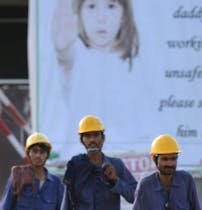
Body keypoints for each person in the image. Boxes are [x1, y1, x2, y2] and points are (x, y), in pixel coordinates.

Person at [43, 0, 142, 159]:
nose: (101, 18)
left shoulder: (136, 62)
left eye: (111, 6)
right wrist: (63, 50)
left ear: (124, 13)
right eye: (91, 6)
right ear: (79, 14)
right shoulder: (78, 57)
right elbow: (66, 62)